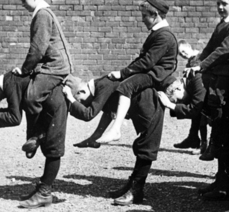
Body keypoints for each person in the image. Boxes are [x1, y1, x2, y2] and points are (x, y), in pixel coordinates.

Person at [63, 74, 172, 206]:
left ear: (81, 91)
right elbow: (108, 112)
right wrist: (94, 138)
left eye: (78, 99)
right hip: (142, 106)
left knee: (146, 148)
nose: (81, 103)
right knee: (142, 147)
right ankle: (131, 186)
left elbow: (88, 114)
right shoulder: (99, 86)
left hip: (149, 104)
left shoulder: (102, 85)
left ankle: (136, 191)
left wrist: (69, 97)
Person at [0, 70, 69, 209]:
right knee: (47, 147)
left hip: (55, 105)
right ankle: (42, 189)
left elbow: (15, 118)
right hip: (47, 105)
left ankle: (44, 193)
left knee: (53, 149)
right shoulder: (10, 79)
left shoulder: (10, 84)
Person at [97, 0, 177, 143]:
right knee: (122, 82)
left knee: (126, 85)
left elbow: (147, 62)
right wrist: (125, 72)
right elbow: (141, 60)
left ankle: (116, 129)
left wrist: (122, 73)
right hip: (151, 71)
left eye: (145, 16)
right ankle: (100, 133)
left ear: (155, 15)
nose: (142, 19)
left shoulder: (164, 36)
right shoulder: (157, 33)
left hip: (156, 75)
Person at [13, 0, 73, 151]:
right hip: (49, 64)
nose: (22, 4)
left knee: (31, 97)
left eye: (24, 0)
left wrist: (25, 70)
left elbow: (38, 48)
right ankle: (34, 135)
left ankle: (40, 133)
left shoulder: (42, 15)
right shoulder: (42, 13)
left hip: (55, 67)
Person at [184, 0, 229, 200]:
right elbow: (210, 48)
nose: (221, 7)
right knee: (218, 130)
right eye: (219, 3)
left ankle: (223, 185)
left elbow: (222, 50)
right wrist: (195, 61)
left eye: (225, 3)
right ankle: (220, 182)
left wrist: (201, 66)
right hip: (217, 84)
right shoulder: (221, 25)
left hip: (226, 85)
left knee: (224, 134)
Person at [171, 40, 208, 154]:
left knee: (201, 118)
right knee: (197, 118)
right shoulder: (190, 62)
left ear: (189, 47)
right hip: (197, 91)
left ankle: (203, 145)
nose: (183, 54)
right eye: (180, 54)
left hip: (205, 90)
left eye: (183, 51)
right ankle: (193, 139)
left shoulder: (200, 57)